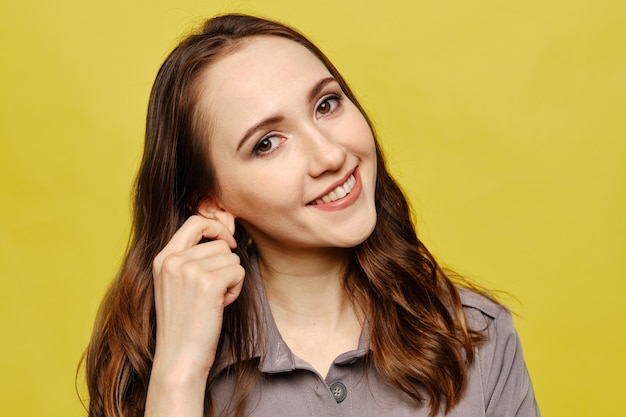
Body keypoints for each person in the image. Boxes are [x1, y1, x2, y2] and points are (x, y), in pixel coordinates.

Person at [83, 13, 540, 417]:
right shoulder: (153, 366)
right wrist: (178, 377)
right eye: (267, 142)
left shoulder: (476, 334)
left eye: (326, 104)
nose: (330, 154)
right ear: (211, 202)